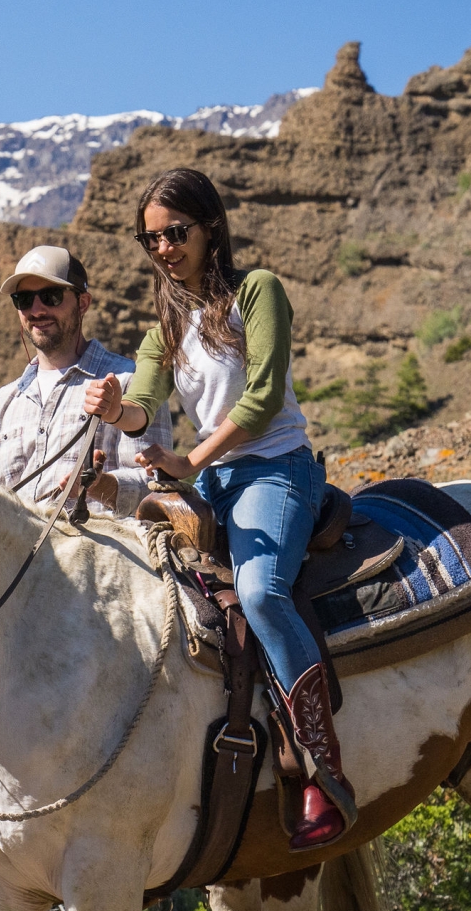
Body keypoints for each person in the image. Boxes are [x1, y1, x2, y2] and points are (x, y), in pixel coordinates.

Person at [82, 167, 356, 851]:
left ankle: (323, 766)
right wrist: (121, 411)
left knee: (261, 593)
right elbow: (147, 406)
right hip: (212, 484)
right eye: (152, 240)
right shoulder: (163, 331)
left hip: (276, 468)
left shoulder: (257, 293)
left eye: (177, 232)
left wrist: (193, 461)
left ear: (211, 229)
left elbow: (262, 398)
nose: (166, 248)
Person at [0, 245, 172, 509]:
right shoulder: (2, 404)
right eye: (23, 299)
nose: (36, 310)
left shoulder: (130, 383)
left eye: (51, 296)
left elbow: (157, 485)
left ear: (82, 303)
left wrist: (104, 488)